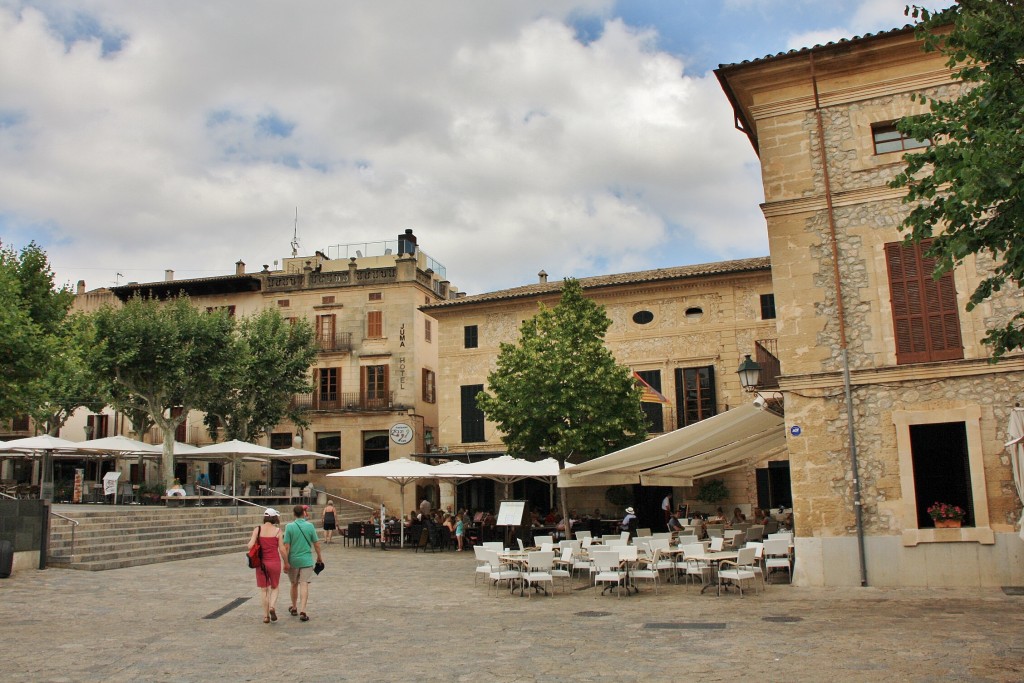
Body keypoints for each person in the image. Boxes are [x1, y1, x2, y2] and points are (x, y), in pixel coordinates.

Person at [282, 504, 323, 623]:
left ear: (294, 514)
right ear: (304, 513)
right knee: (304, 584)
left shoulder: (289, 527)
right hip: (306, 560)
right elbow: (316, 544)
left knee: (294, 584)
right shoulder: (310, 526)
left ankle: (294, 607)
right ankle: (303, 610)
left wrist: (285, 562)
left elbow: (287, 546)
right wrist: (319, 557)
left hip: (293, 559)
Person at [248, 508, 284, 624]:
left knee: (264, 589)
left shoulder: (257, 529)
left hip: (261, 563)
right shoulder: (278, 531)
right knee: (275, 587)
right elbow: (282, 549)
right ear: (275, 518)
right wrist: (287, 562)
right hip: (274, 562)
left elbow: (250, 545)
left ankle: (265, 616)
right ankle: (272, 606)